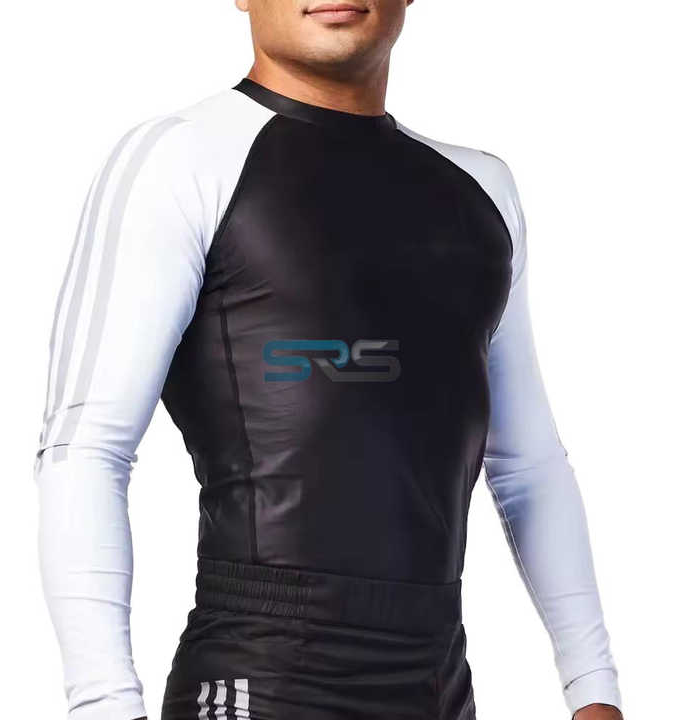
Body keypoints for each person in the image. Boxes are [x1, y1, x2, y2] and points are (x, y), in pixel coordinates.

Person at [34, 2, 624, 719]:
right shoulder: (183, 158)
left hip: (436, 684)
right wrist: (104, 703)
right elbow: (85, 447)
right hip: (261, 675)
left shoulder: (482, 188)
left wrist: (593, 688)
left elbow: (528, 465)